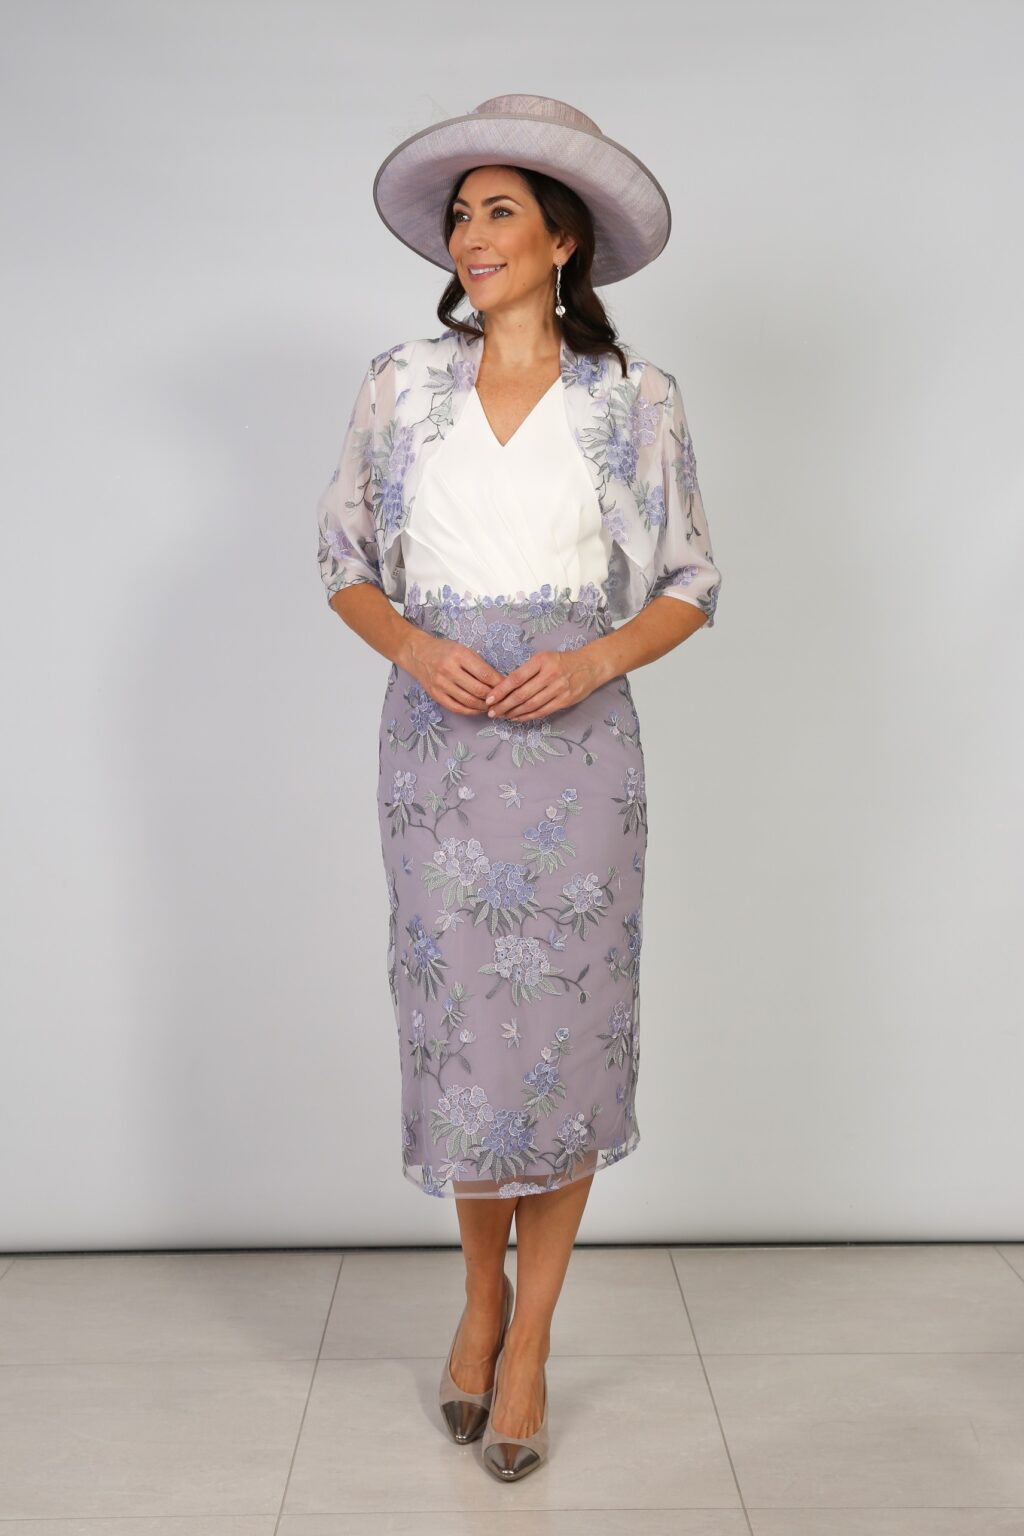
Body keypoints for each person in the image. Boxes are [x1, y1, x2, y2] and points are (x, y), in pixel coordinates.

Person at [315, 94, 722, 1482]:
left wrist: (594, 658)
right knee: (470, 1041)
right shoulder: (398, 385)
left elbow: (692, 580)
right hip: (436, 751)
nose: (471, 234)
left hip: (579, 752)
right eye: (460, 214)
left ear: (562, 242)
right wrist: (415, 646)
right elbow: (341, 561)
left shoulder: (637, 398)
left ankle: (530, 1338)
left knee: (568, 1037)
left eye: (501, 212)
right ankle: (476, 1302)